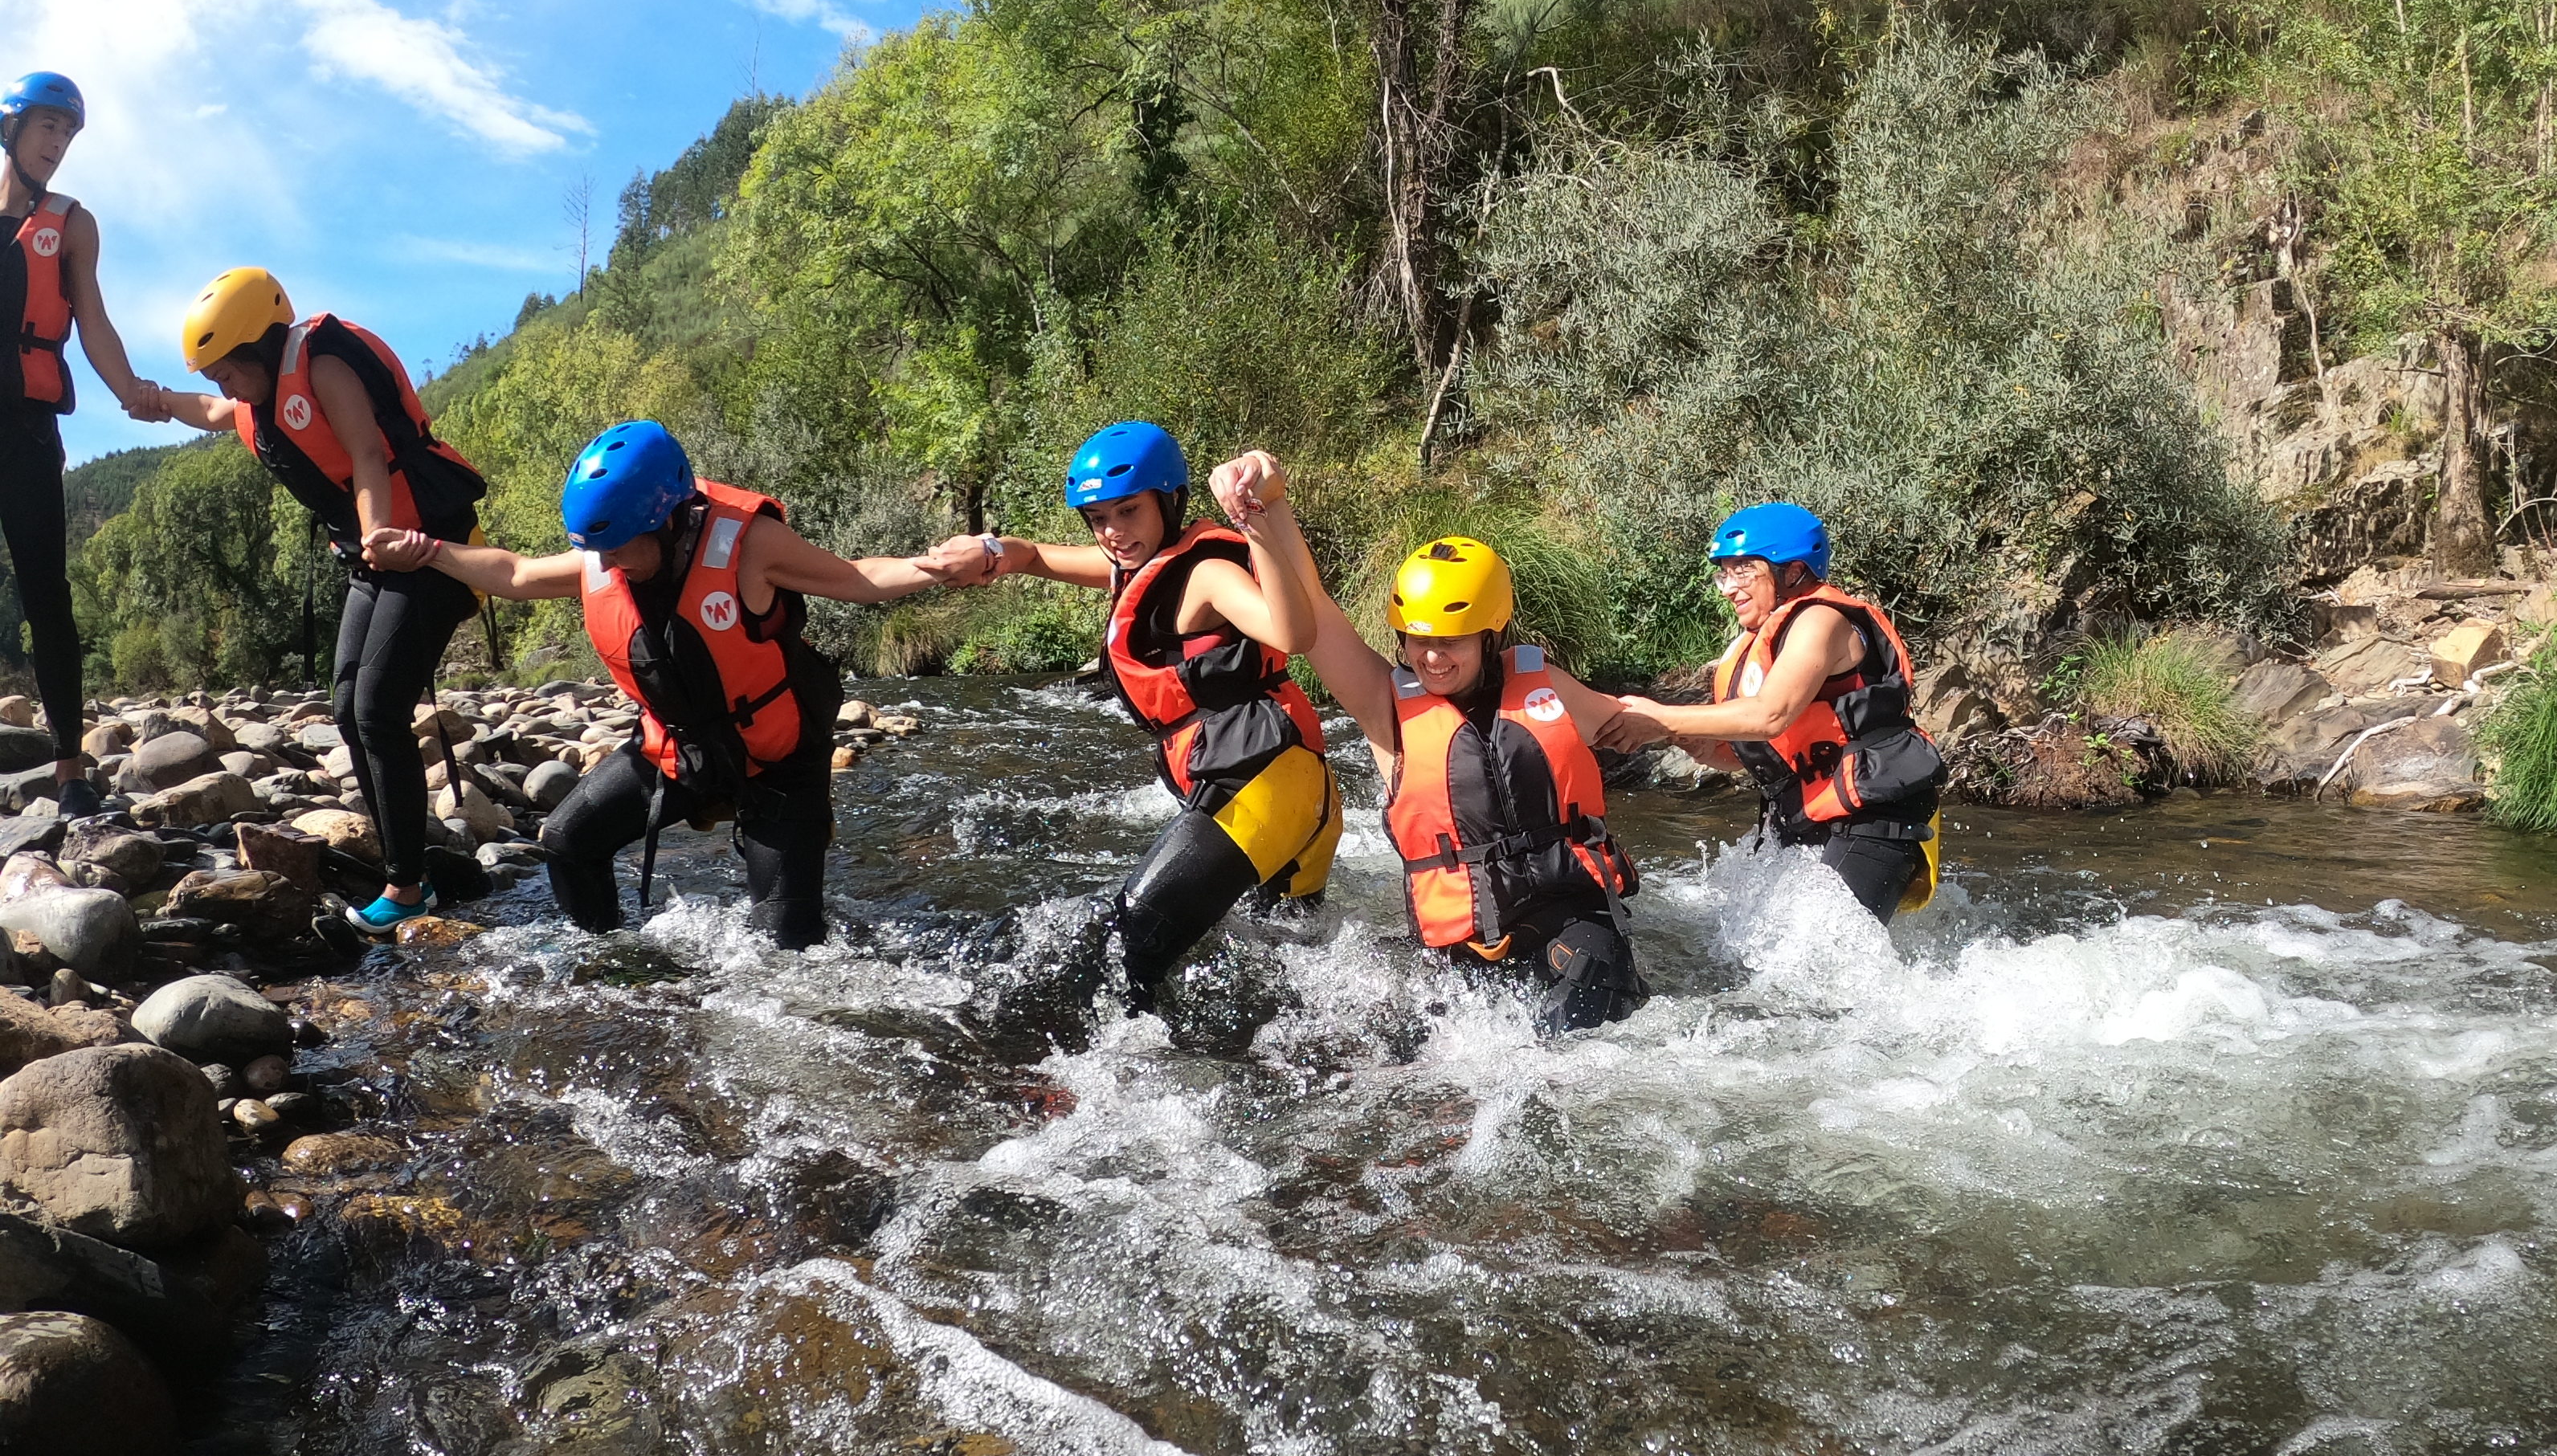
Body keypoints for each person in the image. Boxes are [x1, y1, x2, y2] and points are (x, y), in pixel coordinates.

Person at [364, 421, 954, 950]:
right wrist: (428, 551)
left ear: (668, 519)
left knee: (788, 946)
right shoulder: (605, 553)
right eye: (601, 551)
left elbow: (858, 579)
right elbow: (513, 574)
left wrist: (938, 567)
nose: (609, 564)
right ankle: (617, 974)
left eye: (621, 549)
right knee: (567, 842)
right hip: (681, 752)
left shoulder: (749, 548)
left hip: (778, 761)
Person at [919, 422, 1337, 1009]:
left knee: (1124, 947)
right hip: (1289, 785)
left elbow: (1293, 633)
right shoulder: (1141, 564)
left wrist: (1254, 521)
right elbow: (1035, 556)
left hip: (1265, 784)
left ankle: (1113, 1081)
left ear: (1169, 502)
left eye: (1128, 511)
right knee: (1286, 973)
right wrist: (991, 552)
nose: (1113, 533)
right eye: (1097, 519)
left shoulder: (1206, 574)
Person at [1236, 457, 1652, 1032]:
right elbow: (1317, 608)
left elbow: (1631, 722)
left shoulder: (1545, 686)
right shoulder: (1390, 714)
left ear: (1490, 635)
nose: (1432, 657)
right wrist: (1269, 508)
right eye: (1418, 641)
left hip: (1568, 916)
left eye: (1452, 641)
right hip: (1460, 949)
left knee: (1590, 1002)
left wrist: (1731, 728)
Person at [137, 267, 490, 925]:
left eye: (229, 372)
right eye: (215, 376)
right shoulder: (252, 398)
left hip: (428, 547)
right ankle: (407, 862)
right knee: (348, 708)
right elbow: (213, 413)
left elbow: (364, 454)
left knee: (380, 710)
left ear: (264, 346)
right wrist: (157, 399)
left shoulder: (322, 367)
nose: (225, 388)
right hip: (373, 558)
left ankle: (408, 889)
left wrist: (378, 530)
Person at [1615, 503, 1946, 920]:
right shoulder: (1753, 644)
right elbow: (1752, 749)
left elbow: (1771, 715)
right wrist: (1702, 746)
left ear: (1792, 572)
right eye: (1724, 573)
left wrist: (1661, 717)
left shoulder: (1821, 620)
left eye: (1744, 571)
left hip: (1876, 816)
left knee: (1818, 967)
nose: (1728, 588)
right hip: (1814, 818)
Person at [2, 74, 184, 814]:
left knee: (48, 595)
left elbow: (93, 323)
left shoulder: (73, 223)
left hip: (26, 430)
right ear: (12, 126)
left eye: (68, 135)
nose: (57, 145)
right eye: (47, 126)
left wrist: (133, 391)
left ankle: (70, 768)